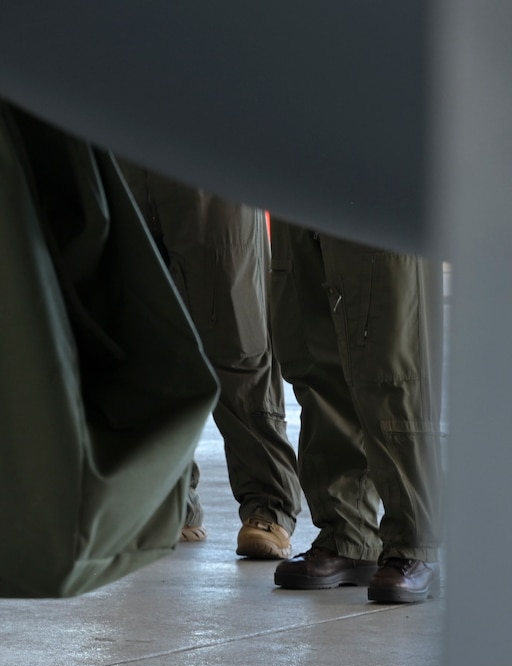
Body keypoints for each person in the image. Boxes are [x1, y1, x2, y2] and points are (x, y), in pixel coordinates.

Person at [116, 164, 302, 560]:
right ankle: (167, 503)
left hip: (209, 157)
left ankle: (269, 507)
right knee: (141, 340)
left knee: (237, 340)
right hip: (125, 147)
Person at [269, 222, 443, 603]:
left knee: (392, 367)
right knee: (314, 362)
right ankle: (347, 535)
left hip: (372, 178)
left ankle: (414, 545)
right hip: (297, 176)